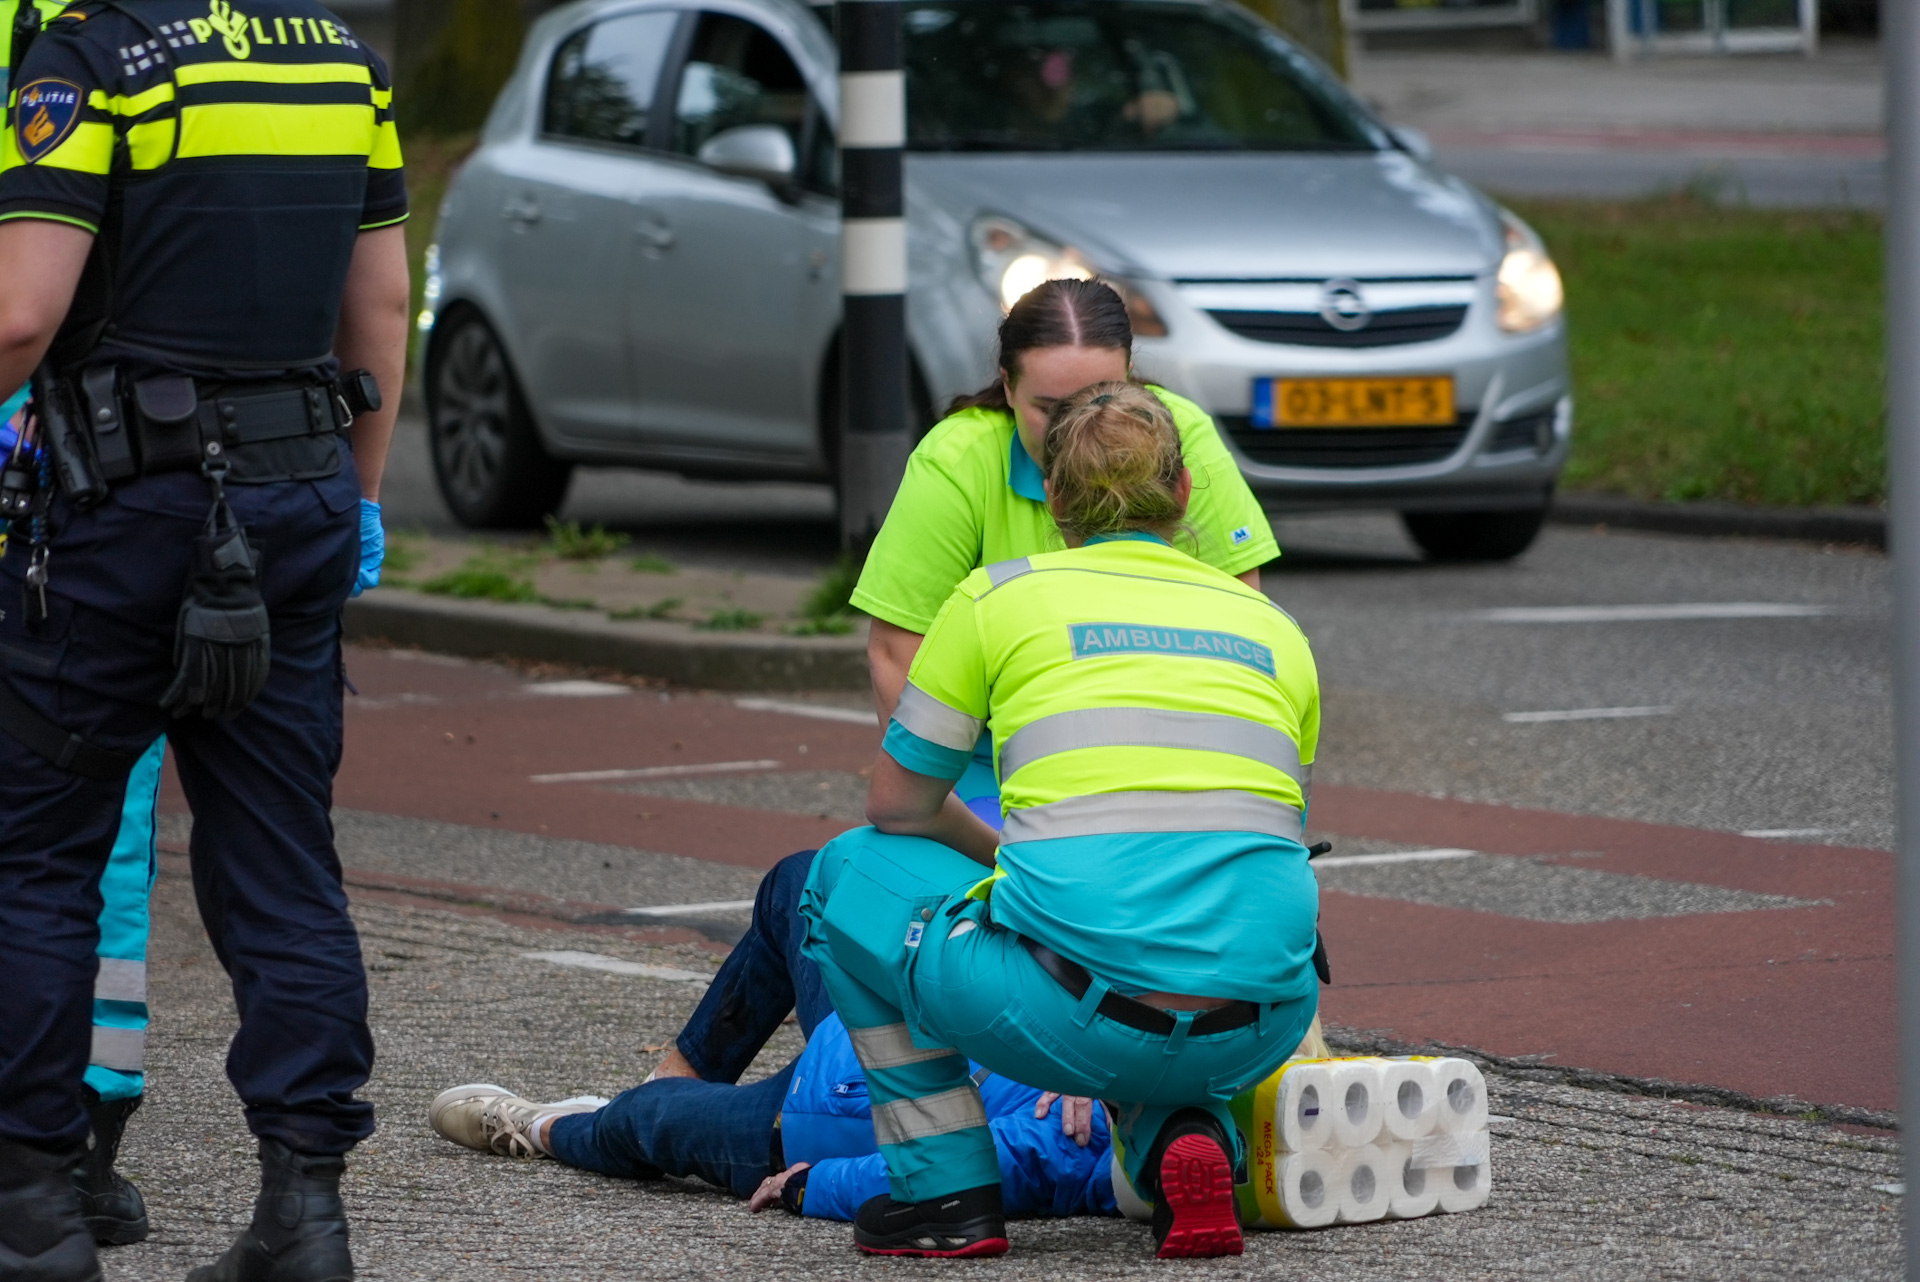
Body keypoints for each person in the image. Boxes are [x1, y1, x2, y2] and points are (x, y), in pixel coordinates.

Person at [0, 0, 408, 1274]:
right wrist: (364, 496)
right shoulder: (345, 62)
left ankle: (33, 1211)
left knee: (39, 853)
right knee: (283, 861)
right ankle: (305, 1211)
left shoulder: (89, 59)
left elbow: (23, 313)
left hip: (121, 505)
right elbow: (383, 306)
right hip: (295, 500)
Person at [801, 381, 1322, 1260]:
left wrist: (1000, 856)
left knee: (845, 876)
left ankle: (945, 1195)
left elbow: (896, 804)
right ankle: (1182, 1147)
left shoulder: (993, 598)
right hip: (1267, 1014)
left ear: (1054, 501)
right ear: (1187, 494)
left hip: (1079, 1013)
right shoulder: (1275, 629)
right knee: (1171, 940)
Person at [423, 852, 1118, 1225]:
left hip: (814, 1121)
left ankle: (543, 1126)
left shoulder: (1083, 1146)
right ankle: (682, 1075)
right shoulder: (1184, 1058)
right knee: (802, 880)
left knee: (642, 1122)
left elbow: (969, 1171)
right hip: (879, 1017)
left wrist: (812, 1188)